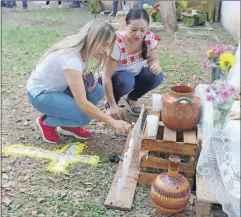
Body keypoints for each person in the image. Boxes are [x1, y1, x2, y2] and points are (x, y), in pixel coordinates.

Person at [27, 20, 131, 144]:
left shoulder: (82, 47)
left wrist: (82, 78)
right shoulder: (71, 59)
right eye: (104, 44)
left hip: (58, 89)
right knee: (85, 115)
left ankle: (68, 125)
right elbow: (82, 103)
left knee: (97, 90)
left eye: (109, 46)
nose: (107, 51)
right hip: (40, 95)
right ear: (92, 38)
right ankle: (46, 122)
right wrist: (113, 122)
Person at [103, 8, 164, 119]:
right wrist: (112, 105)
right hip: (117, 78)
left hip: (134, 74)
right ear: (126, 25)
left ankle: (132, 99)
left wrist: (155, 65)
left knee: (157, 76)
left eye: (142, 30)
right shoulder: (117, 43)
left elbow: (153, 59)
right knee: (127, 80)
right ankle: (111, 104)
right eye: (134, 29)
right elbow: (106, 76)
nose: (138, 34)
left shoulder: (149, 37)